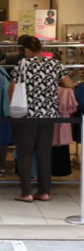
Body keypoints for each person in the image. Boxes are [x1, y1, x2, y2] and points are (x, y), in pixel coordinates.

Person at [10, 36, 73, 203]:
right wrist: (49, 88)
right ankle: (44, 191)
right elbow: (69, 84)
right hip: (49, 114)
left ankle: (26, 193)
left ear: (26, 50)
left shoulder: (22, 65)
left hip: (27, 115)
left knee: (25, 153)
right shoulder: (55, 64)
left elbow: (13, 88)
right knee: (44, 153)